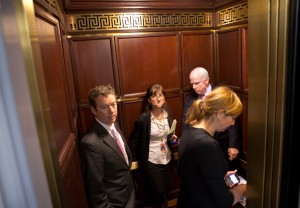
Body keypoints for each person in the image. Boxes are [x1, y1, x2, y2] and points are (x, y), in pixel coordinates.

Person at [177, 86, 246, 208]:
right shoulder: (207, 145)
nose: (233, 123)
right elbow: (224, 200)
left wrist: (219, 175)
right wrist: (244, 188)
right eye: (233, 117)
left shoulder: (189, 132)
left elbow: (194, 174)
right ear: (219, 114)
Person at [80, 85, 135, 208]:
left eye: (114, 104)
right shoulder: (90, 143)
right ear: (94, 110)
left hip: (129, 194)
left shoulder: (114, 124)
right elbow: (95, 187)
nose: (112, 111)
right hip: (115, 204)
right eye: (104, 107)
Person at [130, 84, 178, 208]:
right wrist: (128, 161)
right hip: (151, 161)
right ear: (149, 100)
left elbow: (167, 137)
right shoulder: (143, 119)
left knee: (165, 192)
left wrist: (173, 139)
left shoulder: (168, 115)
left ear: (164, 98)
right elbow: (134, 142)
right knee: (159, 194)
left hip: (167, 159)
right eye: (154, 96)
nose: (158, 98)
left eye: (160, 95)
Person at [182, 67, 240, 163]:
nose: (193, 87)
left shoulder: (220, 94)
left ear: (206, 81)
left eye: (196, 83)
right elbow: (185, 121)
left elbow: (231, 118)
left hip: (221, 143)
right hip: (199, 143)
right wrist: (185, 142)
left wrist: (233, 145)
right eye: (192, 84)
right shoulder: (190, 97)